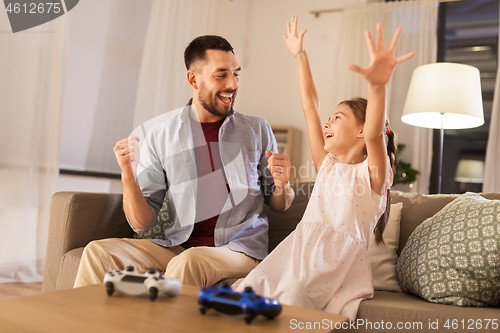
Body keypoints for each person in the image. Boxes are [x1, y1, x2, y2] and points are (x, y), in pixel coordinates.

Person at [73, 35, 295, 288]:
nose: (233, 84)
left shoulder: (257, 129)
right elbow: (144, 223)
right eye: (221, 75)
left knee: (190, 260)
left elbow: (281, 204)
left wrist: (282, 185)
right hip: (175, 244)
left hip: (238, 249)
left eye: (236, 74)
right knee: (97, 253)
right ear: (193, 79)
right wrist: (127, 175)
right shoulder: (162, 135)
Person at [234, 17, 414, 320]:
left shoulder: (373, 176)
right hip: (296, 253)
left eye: (339, 117)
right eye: (330, 118)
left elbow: (374, 133)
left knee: (292, 299)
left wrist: (377, 85)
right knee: (250, 289)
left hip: (334, 264)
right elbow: (310, 106)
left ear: (361, 132)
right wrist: (300, 55)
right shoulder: (327, 166)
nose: (327, 123)